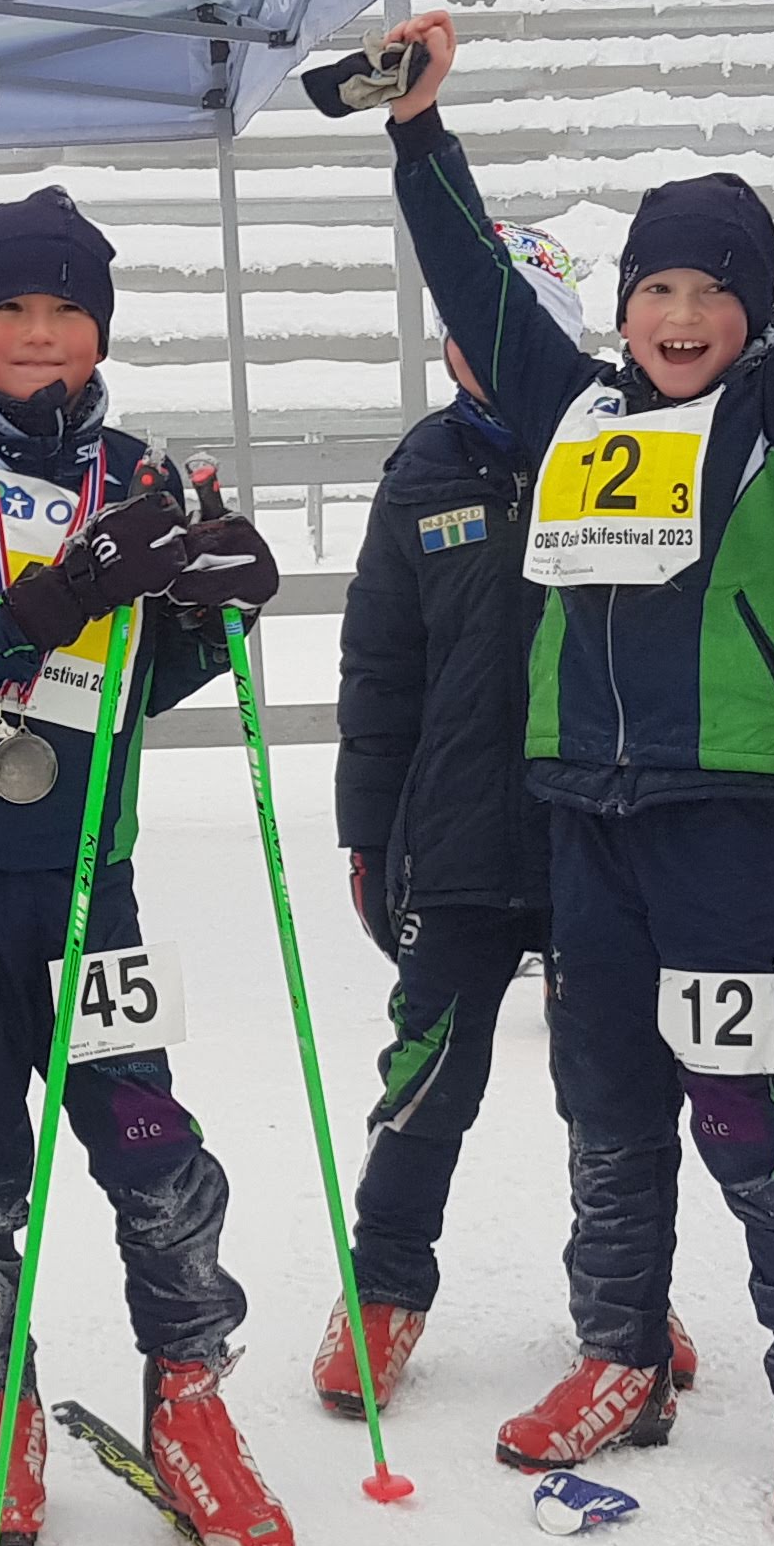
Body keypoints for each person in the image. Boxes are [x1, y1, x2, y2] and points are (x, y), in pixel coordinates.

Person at [376, 0, 774, 1540]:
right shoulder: (576, 409)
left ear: (752, 315)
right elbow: (470, 273)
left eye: (712, 292)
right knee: (603, 1095)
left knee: (742, 1093)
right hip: (579, 815)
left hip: (717, 812)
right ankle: (620, 1348)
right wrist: (417, 132)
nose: (681, 314)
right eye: (657, 287)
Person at [0, 190, 295, 1546]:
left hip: (94, 874)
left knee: (147, 1137)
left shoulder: (139, 468)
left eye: (66, 312)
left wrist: (210, 615)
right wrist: (66, 588)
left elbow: (138, 681)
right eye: (11, 313)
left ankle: (190, 1395)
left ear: (99, 331)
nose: (39, 337)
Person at [327, 231, 664, 1422]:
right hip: (462, 836)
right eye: (471, 320)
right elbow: (380, 666)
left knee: (610, 1082)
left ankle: (628, 1299)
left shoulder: (628, 437)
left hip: (598, 832)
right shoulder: (422, 467)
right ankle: (382, 1290)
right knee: (427, 1076)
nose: (489, 345)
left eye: (520, 319)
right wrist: (369, 835)